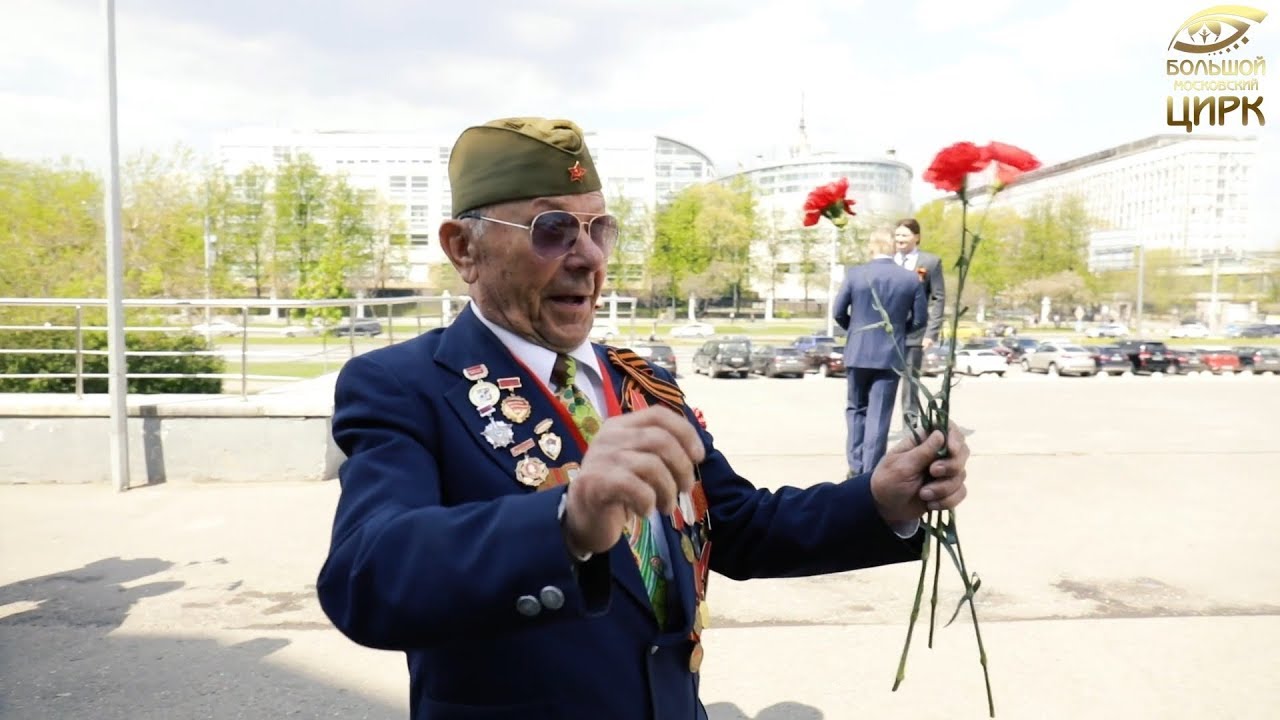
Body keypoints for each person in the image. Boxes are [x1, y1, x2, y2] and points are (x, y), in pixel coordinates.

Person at [315, 117, 971, 720]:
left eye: (599, 230)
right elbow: (365, 579)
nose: (589, 258)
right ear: (465, 249)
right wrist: (566, 521)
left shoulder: (643, 384)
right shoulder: (405, 386)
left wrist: (880, 501)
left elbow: (736, 525)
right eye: (552, 231)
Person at [833, 228, 927, 476]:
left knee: (855, 408)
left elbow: (838, 312)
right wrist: (896, 331)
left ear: (870, 248)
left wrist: (855, 330)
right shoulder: (909, 279)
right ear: (894, 248)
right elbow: (919, 320)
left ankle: (854, 466)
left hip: (857, 351)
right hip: (890, 355)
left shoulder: (855, 275)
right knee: (879, 413)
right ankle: (870, 471)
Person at [893, 219, 945, 427]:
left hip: (915, 334)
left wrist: (931, 334)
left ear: (917, 237)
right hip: (887, 332)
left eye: (904, 235)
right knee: (884, 382)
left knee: (910, 383)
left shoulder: (930, 262)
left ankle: (910, 427)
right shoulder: (887, 261)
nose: (899, 240)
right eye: (897, 235)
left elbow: (938, 298)